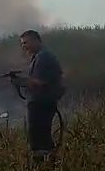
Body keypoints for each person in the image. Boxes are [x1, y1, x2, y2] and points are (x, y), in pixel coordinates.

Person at [11, 30, 65, 161]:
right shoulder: (40, 57)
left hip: (41, 104)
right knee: (42, 137)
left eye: (26, 43)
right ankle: (47, 166)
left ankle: (43, 168)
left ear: (36, 41)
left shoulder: (43, 57)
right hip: (42, 102)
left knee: (38, 139)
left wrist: (20, 81)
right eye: (22, 44)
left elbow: (39, 82)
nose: (24, 46)